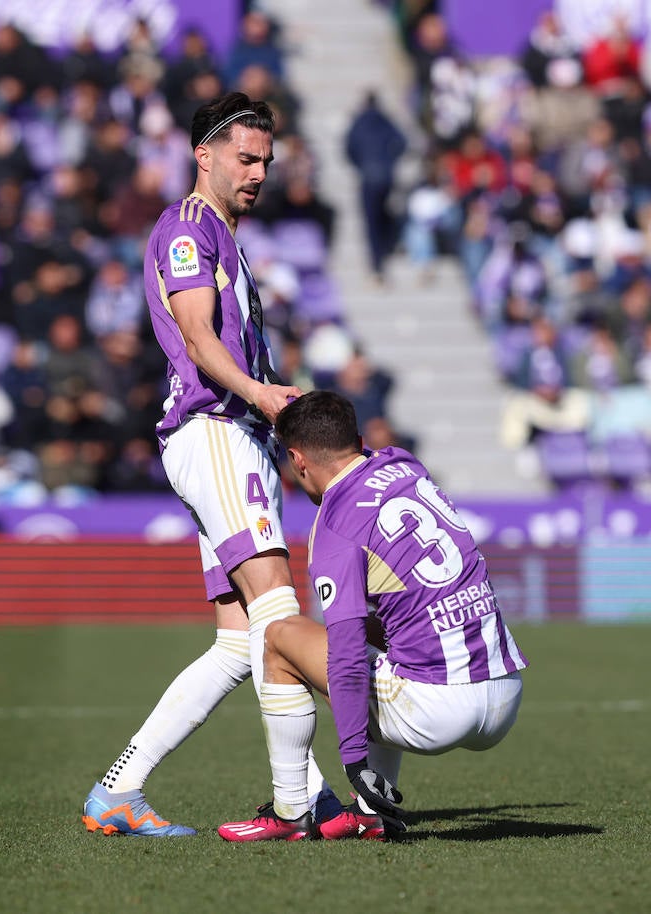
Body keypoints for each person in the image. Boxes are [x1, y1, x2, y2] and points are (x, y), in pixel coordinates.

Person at [83, 93, 338, 838]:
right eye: (245, 158)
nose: (259, 173)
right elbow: (196, 334)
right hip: (217, 429)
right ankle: (305, 799)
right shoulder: (189, 228)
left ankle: (119, 789)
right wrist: (261, 394)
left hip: (233, 434)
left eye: (266, 160)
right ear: (205, 156)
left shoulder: (223, 234)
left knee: (239, 641)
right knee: (280, 617)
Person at [215, 391, 527, 842]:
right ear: (358, 440)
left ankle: (290, 811)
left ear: (298, 461)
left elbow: (344, 657)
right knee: (382, 632)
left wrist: (354, 759)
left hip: (438, 710)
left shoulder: (336, 524)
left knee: (280, 637)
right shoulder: (404, 463)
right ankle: (370, 815)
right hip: (506, 694)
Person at [345, 93, 407, 279]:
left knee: (372, 221)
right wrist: (390, 161)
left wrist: (361, 165)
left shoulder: (358, 123)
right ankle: (386, 249)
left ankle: (377, 261)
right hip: (386, 177)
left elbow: (349, 149)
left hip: (369, 178)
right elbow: (402, 143)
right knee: (383, 214)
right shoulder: (386, 121)